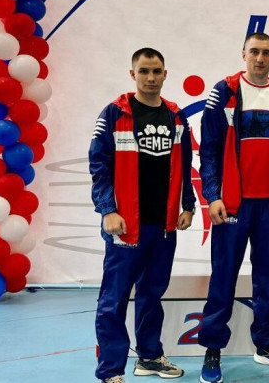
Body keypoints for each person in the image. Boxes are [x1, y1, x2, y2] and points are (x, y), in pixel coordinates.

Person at [198, 32, 269, 383]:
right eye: (254, 52)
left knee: (266, 279)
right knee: (223, 278)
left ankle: (266, 344)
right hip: (232, 205)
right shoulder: (224, 91)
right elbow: (209, 149)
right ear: (243, 54)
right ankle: (213, 348)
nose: (260, 58)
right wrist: (213, 195)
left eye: (266, 53)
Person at [90, 47, 196, 383]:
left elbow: (185, 163)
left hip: (163, 227)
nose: (151, 78)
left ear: (165, 74)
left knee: (152, 295)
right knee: (114, 300)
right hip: (126, 226)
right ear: (132, 74)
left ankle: (149, 357)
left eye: (156, 71)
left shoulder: (175, 116)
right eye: (144, 71)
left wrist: (188, 206)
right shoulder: (114, 113)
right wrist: (108, 210)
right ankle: (110, 370)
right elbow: (99, 166)